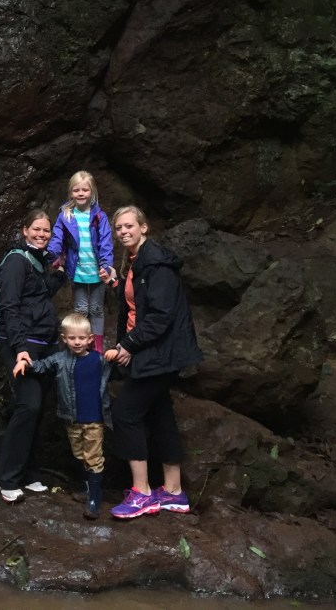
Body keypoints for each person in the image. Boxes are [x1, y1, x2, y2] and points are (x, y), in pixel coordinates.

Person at [104, 206, 204, 520]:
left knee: (125, 413)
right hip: (153, 352)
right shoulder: (136, 262)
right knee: (160, 415)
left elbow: (161, 316)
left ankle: (142, 493)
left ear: (144, 227)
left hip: (160, 353)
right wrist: (117, 284)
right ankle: (173, 491)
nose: (123, 232)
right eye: (119, 228)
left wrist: (128, 345)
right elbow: (140, 304)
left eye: (129, 226)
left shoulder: (157, 264)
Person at [0, 209, 67, 503]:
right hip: (22, 346)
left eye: (46, 230)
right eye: (36, 229)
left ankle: (28, 472)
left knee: (39, 409)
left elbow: (39, 295)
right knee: (29, 405)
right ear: (25, 230)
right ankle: (6, 478)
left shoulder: (38, 261)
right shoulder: (15, 261)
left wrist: (59, 273)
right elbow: (9, 307)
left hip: (45, 344)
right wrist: (20, 347)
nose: (41, 234)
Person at [14, 312, 116, 519]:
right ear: (64, 339)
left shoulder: (99, 360)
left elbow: (118, 367)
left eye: (81, 338)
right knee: (80, 454)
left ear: (90, 339)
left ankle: (94, 498)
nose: (77, 342)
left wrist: (116, 354)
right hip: (73, 419)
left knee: (93, 457)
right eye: (72, 338)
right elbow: (42, 366)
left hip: (95, 419)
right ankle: (88, 488)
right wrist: (26, 363)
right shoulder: (60, 359)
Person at [47, 171, 115, 355]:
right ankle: (81, 344)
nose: (81, 193)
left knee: (96, 309)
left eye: (85, 190)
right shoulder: (65, 215)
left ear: (92, 192)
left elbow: (106, 242)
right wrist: (51, 254)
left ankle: (97, 346)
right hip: (77, 271)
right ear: (71, 193)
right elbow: (57, 237)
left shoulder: (99, 216)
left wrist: (106, 265)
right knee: (81, 309)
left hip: (97, 270)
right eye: (76, 190)